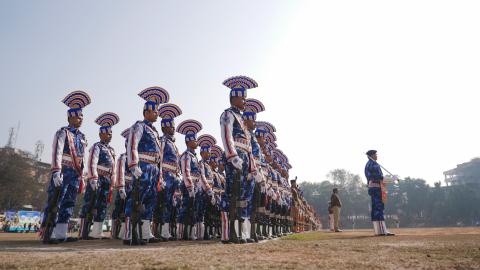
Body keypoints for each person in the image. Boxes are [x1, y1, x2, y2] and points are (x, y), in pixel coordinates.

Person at [40, 90, 91, 244]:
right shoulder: (63, 132)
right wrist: (56, 171)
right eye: (77, 116)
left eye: (81, 116)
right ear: (70, 117)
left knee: (69, 202)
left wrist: (82, 176)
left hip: (75, 173)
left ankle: (61, 233)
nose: (80, 119)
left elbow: (82, 158)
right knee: (56, 201)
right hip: (63, 170)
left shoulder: (82, 137)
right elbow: (57, 151)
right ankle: (48, 232)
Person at [125, 87, 169, 245]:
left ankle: (145, 232)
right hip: (143, 166)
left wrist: (161, 175)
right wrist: (133, 164)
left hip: (154, 169)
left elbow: (160, 157)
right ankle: (130, 234)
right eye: (154, 111)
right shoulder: (140, 126)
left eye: (157, 111)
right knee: (137, 199)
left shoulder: (155, 131)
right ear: (146, 112)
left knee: (150, 201)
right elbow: (132, 145)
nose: (157, 113)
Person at [219, 75, 260, 244]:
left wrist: (253, 167)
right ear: (234, 97)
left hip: (245, 159)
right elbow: (226, 136)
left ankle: (241, 232)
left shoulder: (242, 120)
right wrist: (232, 156)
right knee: (232, 194)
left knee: (243, 196)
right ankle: (229, 234)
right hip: (234, 158)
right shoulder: (228, 114)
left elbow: (249, 147)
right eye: (242, 98)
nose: (244, 101)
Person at [79, 112, 119, 240]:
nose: (110, 135)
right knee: (90, 203)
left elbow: (113, 168)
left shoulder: (112, 150)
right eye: (107, 133)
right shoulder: (97, 146)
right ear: (101, 134)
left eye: (111, 133)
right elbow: (92, 162)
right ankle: (83, 232)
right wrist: (93, 178)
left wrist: (113, 182)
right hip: (97, 178)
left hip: (107, 180)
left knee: (103, 205)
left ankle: (97, 231)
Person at [156, 103, 182, 241]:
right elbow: (159, 159)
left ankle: (166, 231)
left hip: (173, 177)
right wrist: (161, 177)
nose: (173, 128)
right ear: (165, 126)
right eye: (171, 125)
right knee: (163, 204)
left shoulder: (173, 144)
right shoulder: (163, 141)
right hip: (165, 175)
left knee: (171, 205)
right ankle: (161, 231)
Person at [176, 119, 203, 240]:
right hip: (189, 185)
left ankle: (191, 232)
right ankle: (181, 233)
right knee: (185, 208)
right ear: (188, 141)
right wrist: (190, 187)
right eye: (194, 139)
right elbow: (186, 172)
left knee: (194, 210)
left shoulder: (194, 157)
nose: (196, 142)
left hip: (196, 186)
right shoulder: (186, 155)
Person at [364, 150, 395, 236]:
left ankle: (378, 230)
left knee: (375, 209)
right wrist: (392, 179)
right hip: (376, 187)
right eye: (375, 154)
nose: (377, 156)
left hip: (373, 187)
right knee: (379, 208)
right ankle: (382, 230)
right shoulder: (373, 164)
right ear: (371, 155)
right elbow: (379, 177)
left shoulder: (368, 164)